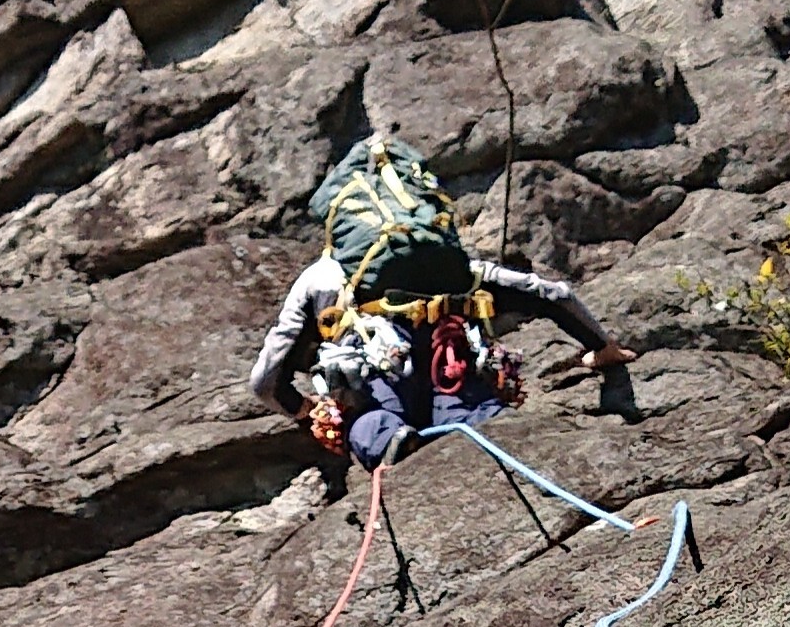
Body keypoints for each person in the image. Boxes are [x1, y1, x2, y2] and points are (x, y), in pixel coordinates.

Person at [246, 137, 635, 469]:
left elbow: (265, 379)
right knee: (474, 423)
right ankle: (479, 433)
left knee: (364, 421)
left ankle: (389, 440)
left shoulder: (321, 277)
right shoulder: (445, 261)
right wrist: (602, 349)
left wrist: (301, 408)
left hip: (376, 378)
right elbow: (551, 294)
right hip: (451, 368)